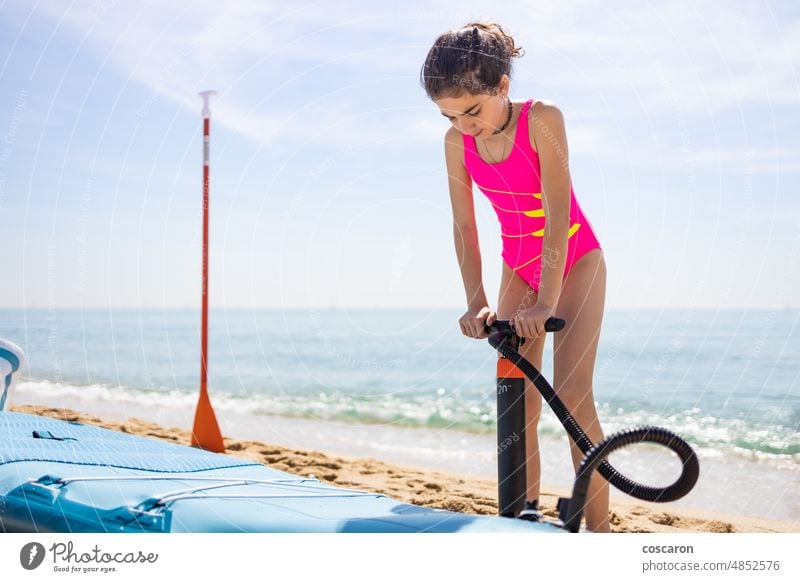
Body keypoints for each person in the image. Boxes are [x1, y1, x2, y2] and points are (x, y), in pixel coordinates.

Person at [420, 21, 610, 532]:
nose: (464, 125)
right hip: (518, 268)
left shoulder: (543, 119)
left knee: (571, 396)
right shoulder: (456, 144)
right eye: (449, 115)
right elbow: (464, 225)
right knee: (515, 398)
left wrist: (546, 302)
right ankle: (521, 519)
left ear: (502, 87)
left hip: (574, 260)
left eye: (473, 111)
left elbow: (556, 212)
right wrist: (475, 301)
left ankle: (600, 533)